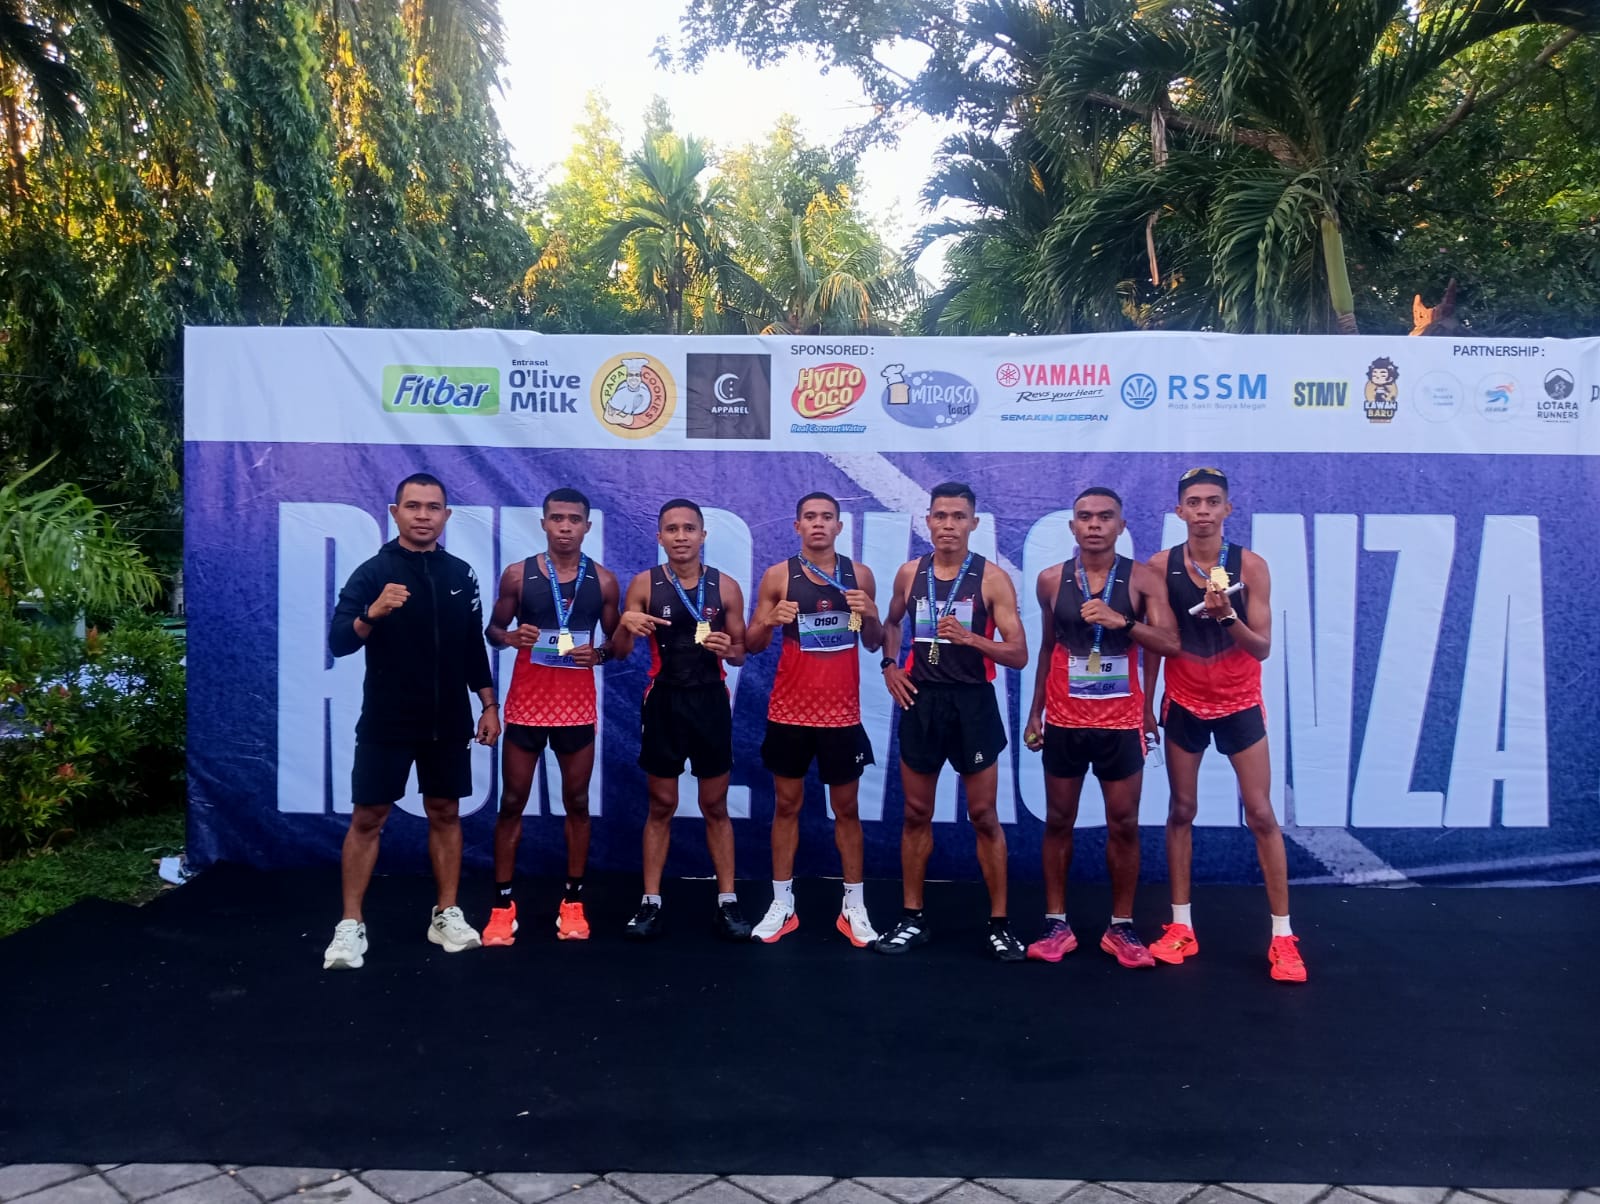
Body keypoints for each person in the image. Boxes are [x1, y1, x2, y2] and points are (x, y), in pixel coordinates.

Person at [321, 473, 500, 970]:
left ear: (446, 515)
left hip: (448, 719)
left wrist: (488, 704)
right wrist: (372, 613)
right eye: (414, 506)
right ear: (395, 512)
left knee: (445, 812)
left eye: (433, 507)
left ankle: (445, 913)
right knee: (368, 818)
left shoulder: (461, 573)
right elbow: (339, 641)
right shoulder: (372, 572)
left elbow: (472, 646)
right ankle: (350, 924)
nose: (423, 515)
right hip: (388, 718)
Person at [1142, 467, 1307, 983]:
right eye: (1194, 502)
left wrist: (1227, 617)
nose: (1203, 511)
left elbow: (1262, 648)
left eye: (1213, 501)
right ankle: (1181, 927)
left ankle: (1283, 938)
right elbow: (1156, 643)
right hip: (1184, 702)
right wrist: (1145, 704)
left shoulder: (1250, 566)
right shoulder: (1159, 566)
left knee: (1260, 813)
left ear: (1228, 509)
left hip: (1239, 702)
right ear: (1180, 512)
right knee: (1181, 810)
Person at [1021, 487, 1180, 968]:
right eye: (1085, 517)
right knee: (1058, 821)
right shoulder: (1051, 580)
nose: (1094, 524)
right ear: (1072, 527)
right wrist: (1035, 712)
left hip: (1121, 721)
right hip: (1064, 719)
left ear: (1121, 526)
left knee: (1124, 823)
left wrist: (1121, 621)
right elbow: (1048, 648)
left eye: (1105, 517)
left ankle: (1121, 927)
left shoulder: (1144, 579)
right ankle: (1056, 924)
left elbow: (1169, 643)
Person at [875, 482, 1030, 960]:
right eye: (940, 516)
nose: (948, 525)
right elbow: (892, 623)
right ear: (927, 521)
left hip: (972, 703)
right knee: (915, 813)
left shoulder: (991, 579)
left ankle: (1000, 923)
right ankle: (912, 917)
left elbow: (1019, 654)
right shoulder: (910, 573)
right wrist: (889, 665)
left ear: (973, 523)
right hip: (922, 701)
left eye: (958, 517)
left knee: (983, 815)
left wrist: (971, 639)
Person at [481, 488, 621, 945]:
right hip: (527, 705)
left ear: (587, 526)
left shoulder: (604, 581)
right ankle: (502, 905)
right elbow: (493, 630)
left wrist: (599, 654)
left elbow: (618, 643)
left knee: (577, 803)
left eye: (574, 519)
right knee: (511, 802)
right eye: (557, 518)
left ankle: (573, 901)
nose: (565, 526)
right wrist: (510, 637)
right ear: (543, 523)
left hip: (575, 708)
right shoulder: (517, 575)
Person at [744, 491, 883, 947]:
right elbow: (751, 645)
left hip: (841, 715)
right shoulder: (778, 575)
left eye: (827, 517)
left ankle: (854, 906)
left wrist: (871, 615)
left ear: (840, 526)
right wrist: (769, 620)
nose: (818, 523)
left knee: (847, 810)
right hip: (790, 712)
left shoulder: (859, 575)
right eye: (810, 517)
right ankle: (782, 904)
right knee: (786, 806)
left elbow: (873, 641)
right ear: (797, 526)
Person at [611, 498, 752, 941]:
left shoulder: (725, 586)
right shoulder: (643, 584)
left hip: (710, 702)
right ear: (659, 537)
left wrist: (729, 648)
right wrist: (624, 624)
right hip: (664, 702)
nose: (681, 536)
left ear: (703, 535)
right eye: (671, 529)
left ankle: (727, 901)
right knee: (661, 805)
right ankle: (650, 901)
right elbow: (619, 652)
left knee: (715, 805)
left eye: (689, 528)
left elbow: (742, 651)